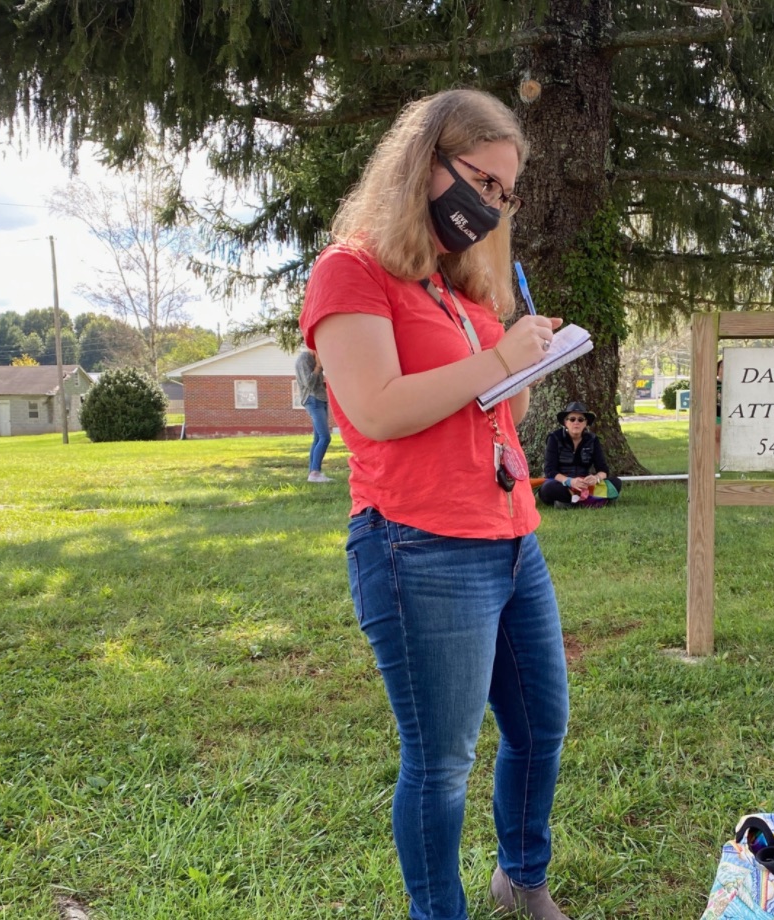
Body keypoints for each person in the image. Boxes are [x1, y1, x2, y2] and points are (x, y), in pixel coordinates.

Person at [298, 88, 573, 920]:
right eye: (482, 181)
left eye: (504, 194)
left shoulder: (455, 287)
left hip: (510, 534)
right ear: (426, 162)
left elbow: (503, 409)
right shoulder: (350, 271)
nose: (491, 205)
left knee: (541, 727)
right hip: (418, 545)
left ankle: (521, 877)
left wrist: (527, 354)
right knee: (443, 761)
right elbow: (376, 409)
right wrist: (498, 359)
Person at [538, 402, 621, 508]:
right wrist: (570, 481)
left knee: (616, 483)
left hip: (585, 484)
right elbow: (550, 471)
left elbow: (603, 470)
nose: (576, 423)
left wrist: (596, 478)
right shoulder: (554, 438)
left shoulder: (592, 439)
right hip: (562, 483)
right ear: (565, 422)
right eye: (572, 419)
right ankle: (590, 501)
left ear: (585, 423)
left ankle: (570, 502)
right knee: (547, 489)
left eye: (580, 420)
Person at [294, 346, 332, 482]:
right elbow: (308, 383)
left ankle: (313, 472)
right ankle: (315, 473)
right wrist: (318, 367)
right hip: (312, 400)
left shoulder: (314, 358)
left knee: (317, 438)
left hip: (321, 399)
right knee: (325, 437)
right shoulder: (303, 359)